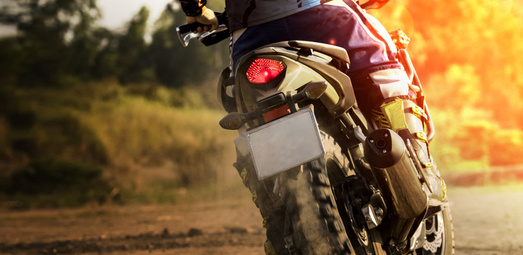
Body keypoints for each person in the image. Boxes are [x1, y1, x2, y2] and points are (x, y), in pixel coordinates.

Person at [179, 0, 445, 202]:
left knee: (250, 118)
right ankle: (419, 160)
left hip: (251, 37)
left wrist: (198, 12)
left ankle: (273, 214)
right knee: (382, 63)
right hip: (322, 15)